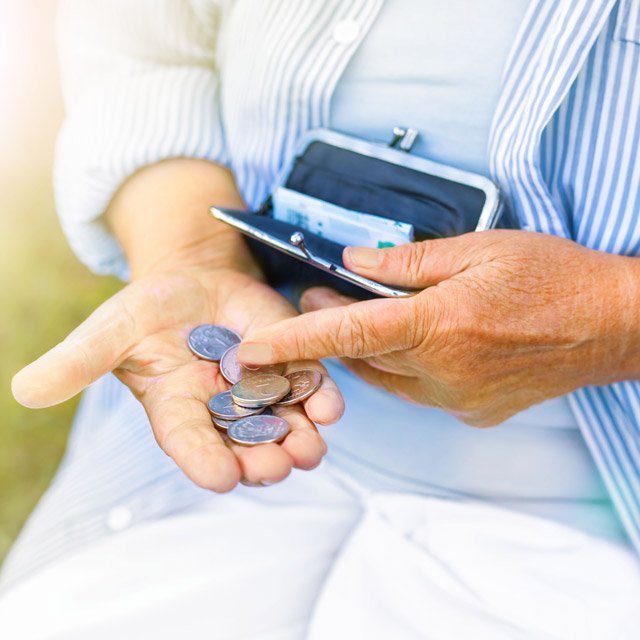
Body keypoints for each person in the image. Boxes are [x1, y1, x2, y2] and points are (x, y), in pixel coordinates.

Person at [2, 0, 640, 637]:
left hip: (583, 521)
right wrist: (189, 250)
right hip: (201, 451)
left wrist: (617, 319)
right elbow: (137, 41)